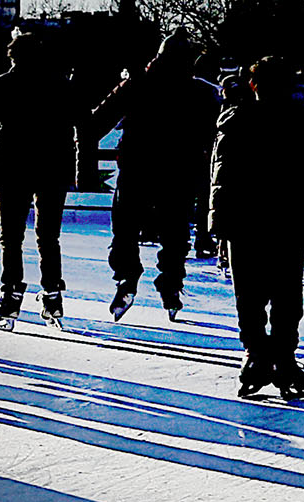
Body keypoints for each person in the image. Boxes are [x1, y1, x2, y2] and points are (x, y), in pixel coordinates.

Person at [211, 57, 304, 402]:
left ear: (254, 85)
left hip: (244, 222)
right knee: (286, 293)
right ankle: (283, 356)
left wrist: (217, 222)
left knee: (249, 295)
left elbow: (221, 177)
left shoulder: (237, 121)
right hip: (288, 220)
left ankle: (255, 354)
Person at [88, 32, 221, 321]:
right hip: (179, 171)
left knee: (125, 228)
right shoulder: (202, 92)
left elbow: (98, 120)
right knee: (174, 232)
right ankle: (171, 284)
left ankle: (127, 277)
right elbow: (215, 135)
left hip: (138, 167)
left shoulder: (137, 83)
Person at [0, 31, 83, 327]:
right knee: (49, 236)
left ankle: (10, 297)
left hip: (13, 168)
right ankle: (52, 295)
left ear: (13, 56)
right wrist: (81, 171)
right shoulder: (62, 85)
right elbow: (83, 127)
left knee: (11, 237)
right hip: (53, 167)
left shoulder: (1, 85)